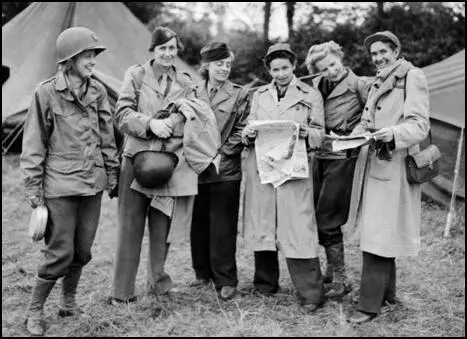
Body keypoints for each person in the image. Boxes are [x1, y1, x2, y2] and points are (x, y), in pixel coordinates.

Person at [20, 26, 119, 336]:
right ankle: (34, 311)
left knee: (83, 250)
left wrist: (112, 174)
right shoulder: (46, 92)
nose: (92, 61)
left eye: (93, 55)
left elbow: (107, 137)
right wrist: (33, 188)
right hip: (60, 185)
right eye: (87, 55)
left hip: (92, 184)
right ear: (70, 59)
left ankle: (68, 302)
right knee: (59, 251)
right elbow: (34, 143)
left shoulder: (98, 91)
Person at [111, 26, 219, 304]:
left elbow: (200, 112)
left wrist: (175, 121)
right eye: (163, 49)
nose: (168, 53)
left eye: (172, 48)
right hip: (136, 160)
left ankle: (158, 284)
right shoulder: (135, 75)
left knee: (163, 228)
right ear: (153, 50)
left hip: (170, 162)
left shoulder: (186, 79)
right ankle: (122, 293)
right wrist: (150, 124)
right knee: (130, 227)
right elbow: (121, 114)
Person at [345, 31, 430, 323]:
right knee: (379, 230)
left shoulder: (412, 77)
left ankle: (368, 306)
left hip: (393, 169)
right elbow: (368, 119)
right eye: (374, 54)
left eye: (383, 52)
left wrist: (392, 134)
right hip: (373, 165)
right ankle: (387, 294)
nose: (378, 58)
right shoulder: (380, 80)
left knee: (378, 235)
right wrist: (355, 135)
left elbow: (419, 125)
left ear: (396, 51)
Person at [239, 43, 325, 312]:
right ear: (268, 70)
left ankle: (311, 292)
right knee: (263, 222)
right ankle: (265, 283)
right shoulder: (259, 95)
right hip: (263, 166)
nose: (280, 74)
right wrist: (248, 134)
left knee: (298, 226)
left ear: (294, 66)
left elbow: (320, 135)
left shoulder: (310, 95)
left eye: (285, 68)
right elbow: (247, 128)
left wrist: (302, 133)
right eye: (274, 69)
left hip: (293, 169)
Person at [304, 41, 371, 299]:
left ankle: (342, 279)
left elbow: (373, 113)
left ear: (340, 57)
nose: (330, 71)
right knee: (318, 213)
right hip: (320, 154)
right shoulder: (317, 85)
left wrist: (358, 133)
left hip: (343, 156)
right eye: (324, 68)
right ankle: (331, 271)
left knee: (328, 217)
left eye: (333, 64)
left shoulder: (359, 85)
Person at [189, 42, 250, 301]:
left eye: (227, 64)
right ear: (206, 66)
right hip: (195, 168)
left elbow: (243, 128)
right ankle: (202, 273)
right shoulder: (192, 91)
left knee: (223, 225)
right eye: (219, 64)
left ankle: (226, 279)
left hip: (225, 169)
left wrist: (222, 153)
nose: (224, 68)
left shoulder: (240, 94)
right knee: (199, 222)